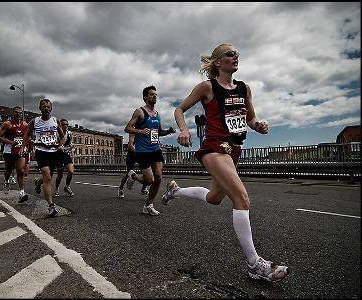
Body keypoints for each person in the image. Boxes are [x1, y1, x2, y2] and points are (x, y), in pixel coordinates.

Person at [162, 43, 290, 282]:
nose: (235, 56)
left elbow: (250, 119)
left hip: (234, 149)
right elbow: (179, 109)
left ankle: (176, 191)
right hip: (214, 148)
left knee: (214, 198)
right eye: (230, 54)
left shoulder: (244, 88)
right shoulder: (207, 87)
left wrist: (259, 126)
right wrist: (183, 130)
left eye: (237, 54)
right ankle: (255, 265)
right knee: (241, 198)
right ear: (218, 62)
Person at [124, 85, 176, 215]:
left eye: (156, 94)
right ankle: (133, 175)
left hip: (155, 149)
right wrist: (140, 131)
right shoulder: (140, 112)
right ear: (145, 97)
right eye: (152, 94)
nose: (155, 96)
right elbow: (127, 128)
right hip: (143, 151)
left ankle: (148, 205)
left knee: (158, 178)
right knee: (149, 180)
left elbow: (158, 132)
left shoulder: (157, 115)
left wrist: (168, 131)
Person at [23, 98, 64, 217]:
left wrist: (60, 145)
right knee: (47, 176)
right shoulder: (34, 121)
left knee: (48, 177)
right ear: (40, 108)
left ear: (51, 108)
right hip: (41, 151)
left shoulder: (55, 121)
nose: (46, 108)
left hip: (53, 152)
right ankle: (51, 206)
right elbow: (26, 135)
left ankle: (37, 181)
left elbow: (62, 136)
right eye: (44, 106)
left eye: (48, 107)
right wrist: (22, 148)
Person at [33, 118, 75, 197]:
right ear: (59, 126)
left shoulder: (69, 133)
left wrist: (71, 145)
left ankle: (67, 186)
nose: (65, 126)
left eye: (67, 125)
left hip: (65, 155)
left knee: (71, 171)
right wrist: (58, 147)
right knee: (56, 175)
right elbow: (50, 144)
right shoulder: (56, 134)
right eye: (63, 125)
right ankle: (51, 186)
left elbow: (70, 142)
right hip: (56, 155)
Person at [0, 106, 29, 203]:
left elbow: (27, 137)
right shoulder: (7, 124)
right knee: (8, 170)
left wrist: (26, 145)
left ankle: (22, 192)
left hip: (20, 151)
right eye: (16, 112)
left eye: (20, 112)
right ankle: (6, 182)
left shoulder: (25, 125)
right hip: (9, 151)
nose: (18, 114)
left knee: (21, 170)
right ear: (12, 113)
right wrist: (11, 142)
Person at [117, 133, 149, 198]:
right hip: (132, 155)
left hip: (141, 155)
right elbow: (130, 146)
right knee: (128, 173)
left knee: (147, 173)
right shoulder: (133, 131)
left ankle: (143, 189)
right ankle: (121, 188)